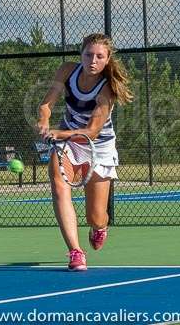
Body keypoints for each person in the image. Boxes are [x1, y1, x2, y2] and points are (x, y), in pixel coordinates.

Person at [36, 33, 133, 271]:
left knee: (96, 217)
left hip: (98, 147)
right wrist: (44, 122)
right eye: (88, 54)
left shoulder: (107, 89)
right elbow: (46, 104)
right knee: (59, 186)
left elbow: (91, 132)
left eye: (100, 56)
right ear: (80, 54)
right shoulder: (67, 71)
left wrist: (59, 133)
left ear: (108, 59)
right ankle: (75, 252)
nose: (93, 60)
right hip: (69, 142)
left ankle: (99, 228)